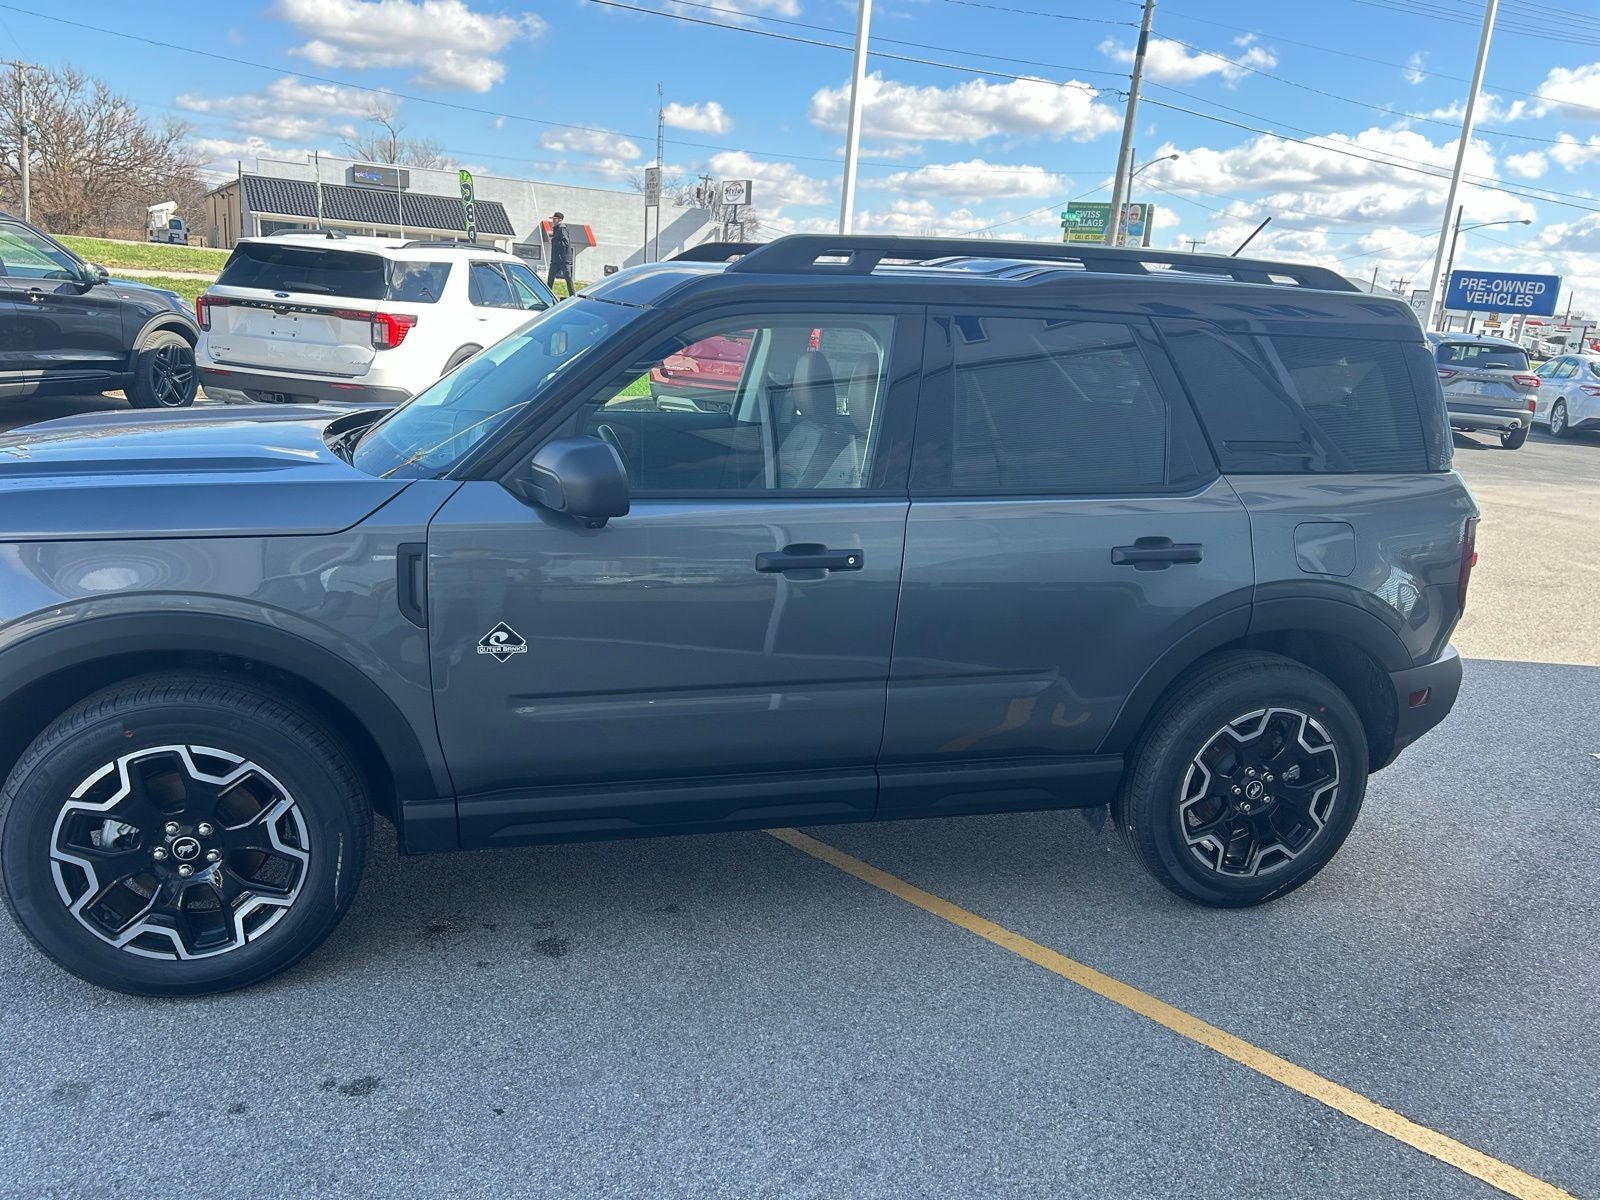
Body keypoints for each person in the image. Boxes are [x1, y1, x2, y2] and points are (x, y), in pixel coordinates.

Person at [546, 212, 576, 298]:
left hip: (563, 259)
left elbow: (565, 243)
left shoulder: (562, 229)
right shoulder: (556, 229)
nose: (553, 220)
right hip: (555, 259)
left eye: (555, 219)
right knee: (550, 278)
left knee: (568, 278)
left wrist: (553, 240)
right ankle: (547, 295)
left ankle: (572, 295)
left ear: (560, 220)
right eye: (553, 219)